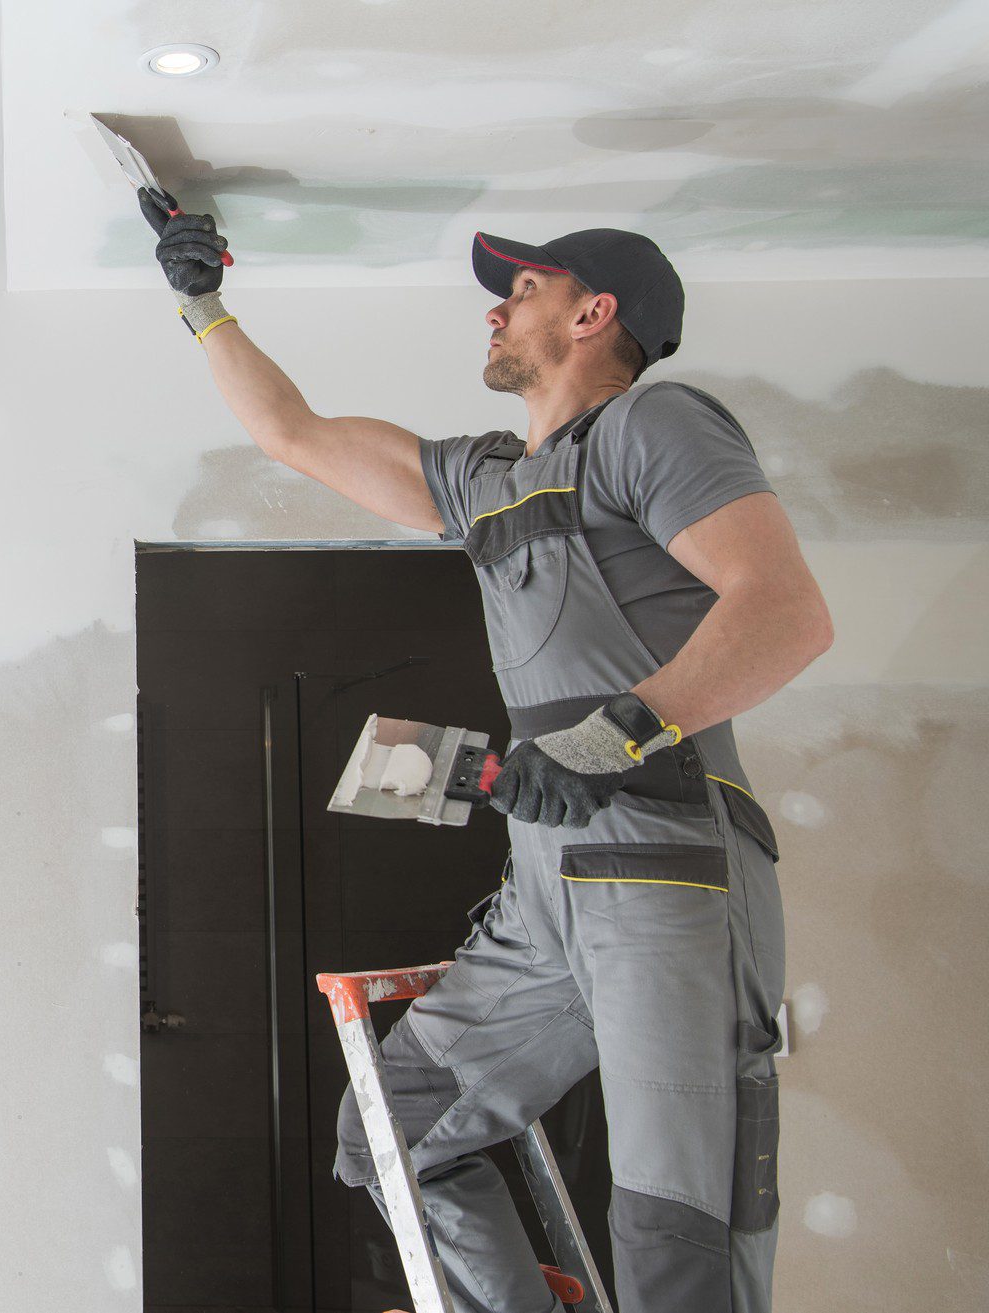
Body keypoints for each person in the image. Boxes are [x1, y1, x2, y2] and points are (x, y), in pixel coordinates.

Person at [143, 191, 833, 1312]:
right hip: (545, 888)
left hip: (663, 867)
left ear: (591, 313)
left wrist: (616, 731)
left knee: (675, 1220)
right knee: (392, 1127)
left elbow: (784, 613)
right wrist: (202, 301)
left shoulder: (651, 429)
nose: (492, 315)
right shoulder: (486, 480)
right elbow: (294, 435)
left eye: (518, 291)